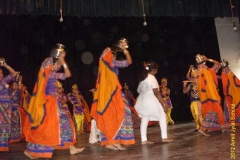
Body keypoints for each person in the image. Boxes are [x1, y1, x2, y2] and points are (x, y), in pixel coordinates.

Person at [23, 44, 84, 159]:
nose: (59, 66)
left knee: (66, 123)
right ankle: (31, 150)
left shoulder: (53, 75)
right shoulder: (48, 73)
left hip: (56, 104)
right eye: (58, 65)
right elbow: (53, 67)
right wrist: (58, 57)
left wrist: (62, 60)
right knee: (46, 128)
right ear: (52, 64)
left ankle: (71, 147)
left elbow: (68, 74)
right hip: (49, 105)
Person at [91, 38, 135, 150]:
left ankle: (111, 141)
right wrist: (124, 50)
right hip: (112, 93)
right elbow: (128, 62)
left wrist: (124, 50)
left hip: (111, 93)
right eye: (112, 54)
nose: (113, 56)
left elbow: (128, 62)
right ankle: (112, 141)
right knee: (118, 113)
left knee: (113, 114)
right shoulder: (111, 63)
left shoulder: (111, 64)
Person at [135, 61, 173, 144]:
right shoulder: (151, 77)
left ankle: (144, 139)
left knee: (145, 118)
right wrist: (164, 103)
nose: (157, 71)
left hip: (142, 100)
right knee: (162, 116)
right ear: (154, 70)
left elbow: (138, 90)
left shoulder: (143, 78)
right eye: (157, 70)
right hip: (150, 100)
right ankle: (164, 137)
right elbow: (156, 92)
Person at [195, 54, 225, 136]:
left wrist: (208, 59)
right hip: (207, 95)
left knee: (214, 110)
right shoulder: (200, 73)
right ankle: (203, 128)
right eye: (199, 65)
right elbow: (199, 84)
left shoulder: (210, 71)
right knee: (213, 109)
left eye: (202, 64)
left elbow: (218, 64)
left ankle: (218, 127)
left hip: (213, 94)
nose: (201, 66)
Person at [0, 58, 17, 151]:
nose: (1, 75)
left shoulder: (4, 81)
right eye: (0, 73)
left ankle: (3, 146)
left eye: (2, 73)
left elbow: (14, 74)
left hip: (7, 107)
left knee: (6, 126)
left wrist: (6, 65)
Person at [183, 65, 203, 132]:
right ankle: (198, 126)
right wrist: (184, 86)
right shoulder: (191, 85)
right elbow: (185, 91)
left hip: (199, 102)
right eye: (193, 78)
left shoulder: (201, 84)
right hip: (192, 102)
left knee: (199, 115)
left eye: (196, 77)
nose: (194, 79)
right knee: (195, 115)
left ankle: (201, 127)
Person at [220, 59, 240, 126]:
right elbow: (225, 86)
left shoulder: (231, 74)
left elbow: (237, 83)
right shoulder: (224, 75)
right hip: (229, 96)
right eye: (224, 68)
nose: (225, 69)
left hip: (235, 94)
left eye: (226, 67)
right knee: (231, 108)